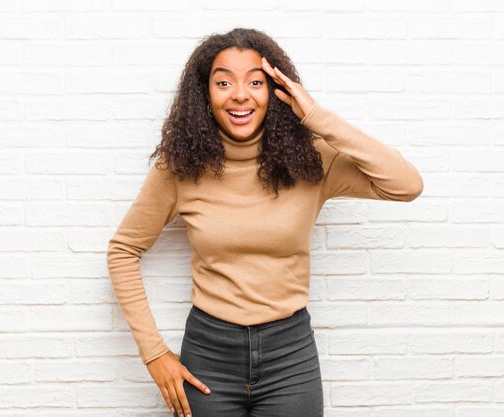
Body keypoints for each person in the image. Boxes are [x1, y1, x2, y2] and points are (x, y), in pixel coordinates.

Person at [107, 27, 423, 417]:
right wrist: (155, 354)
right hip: (208, 356)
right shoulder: (180, 168)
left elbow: (406, 185)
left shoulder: (311, 161)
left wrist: (315, 115)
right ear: (205, 94)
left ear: (276, 90)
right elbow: (123, 250)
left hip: (290, 356)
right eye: (224, 82)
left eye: (255, 82)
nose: (240, 94)